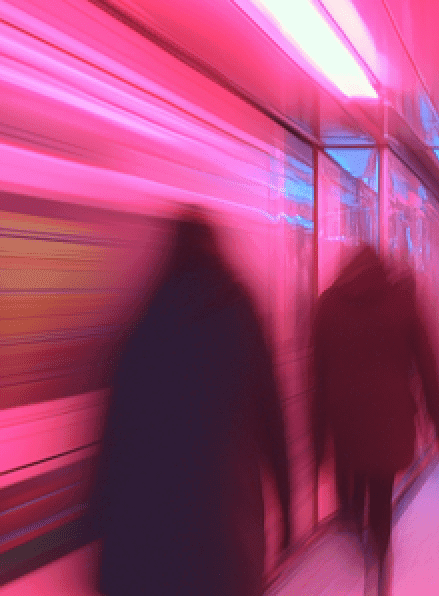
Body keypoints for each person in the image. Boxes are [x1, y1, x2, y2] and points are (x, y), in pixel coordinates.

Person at [90, 208, 293, 596]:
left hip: (156, 527)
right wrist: (287, 506)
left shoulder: (148, 318)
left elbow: (115, 433)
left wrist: (99, 523)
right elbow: (272, 417)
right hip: (226, 523)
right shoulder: (239, 309)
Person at [310, 244, 439, 596]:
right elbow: (428, 368)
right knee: (382, 491)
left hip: (345, 418)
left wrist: (316, 437)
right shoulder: (403, 303)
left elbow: (316, 374)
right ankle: (381, 561)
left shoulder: (327, 305)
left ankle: (355, 522)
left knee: (354, 475)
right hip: (389, 417)